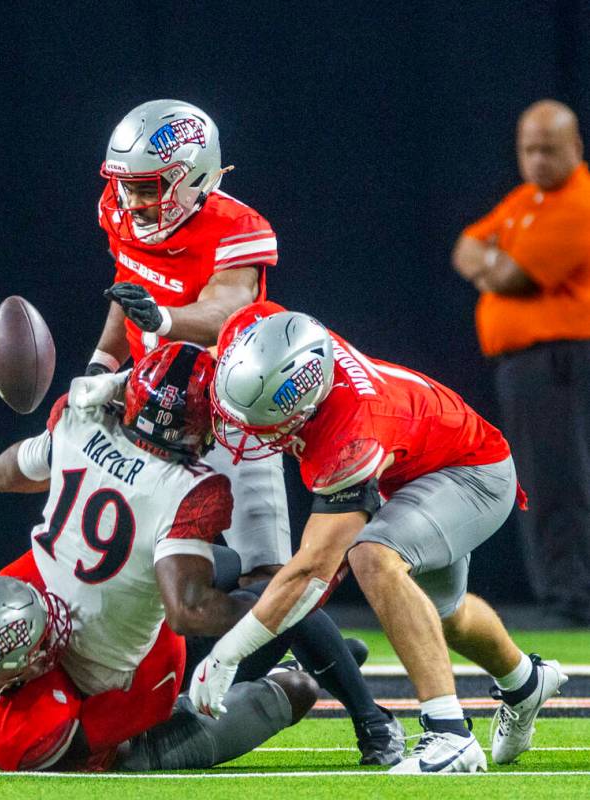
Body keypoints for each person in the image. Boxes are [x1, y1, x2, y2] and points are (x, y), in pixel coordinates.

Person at [89, 99, 402, 763]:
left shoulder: (237, 226)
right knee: (121, 568)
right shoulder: (120, 211)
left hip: (232, 414)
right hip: (154, 422)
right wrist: (101, 365)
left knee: (271, 580)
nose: (133, 200)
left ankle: (373, 720)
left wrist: (166, 322)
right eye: (124, 184)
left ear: (193, 175)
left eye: (147, 185)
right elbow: (128, 290)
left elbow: (230, 308)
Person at [187, 301, 568, 773]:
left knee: (372, 556)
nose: (246, 432)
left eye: (264, 422)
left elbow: (313, 569)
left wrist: (229, 650)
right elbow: (239, 327)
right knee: (441, 615)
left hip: (473, 475)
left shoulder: (353, 436)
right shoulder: (268, 330)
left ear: (306, 404)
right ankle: (526, 682)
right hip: (421, 463)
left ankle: (450, 737)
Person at [0, 343, 318, 772]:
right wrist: (275, 609)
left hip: (61, 600)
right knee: (294, 676)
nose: (42, 655)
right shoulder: (186, 485)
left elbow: (0, 474)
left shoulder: (80, 421)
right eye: (32, 659)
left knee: (238, 575)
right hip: (127, 672)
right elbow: (189, 612)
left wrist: (84, 412)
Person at [452, 99, 590, 625]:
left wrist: (493, 264)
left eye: (549, 151)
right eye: (528, 150)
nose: (537, 161)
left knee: (560, 479)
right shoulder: (524, 199)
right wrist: (492, 260)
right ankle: (565, 588)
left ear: (575, 148)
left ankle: (572, 597)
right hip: (528, 364)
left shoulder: (578, 204)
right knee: (543, 476)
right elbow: (466, 246)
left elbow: (513, 278)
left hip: (560, 360)